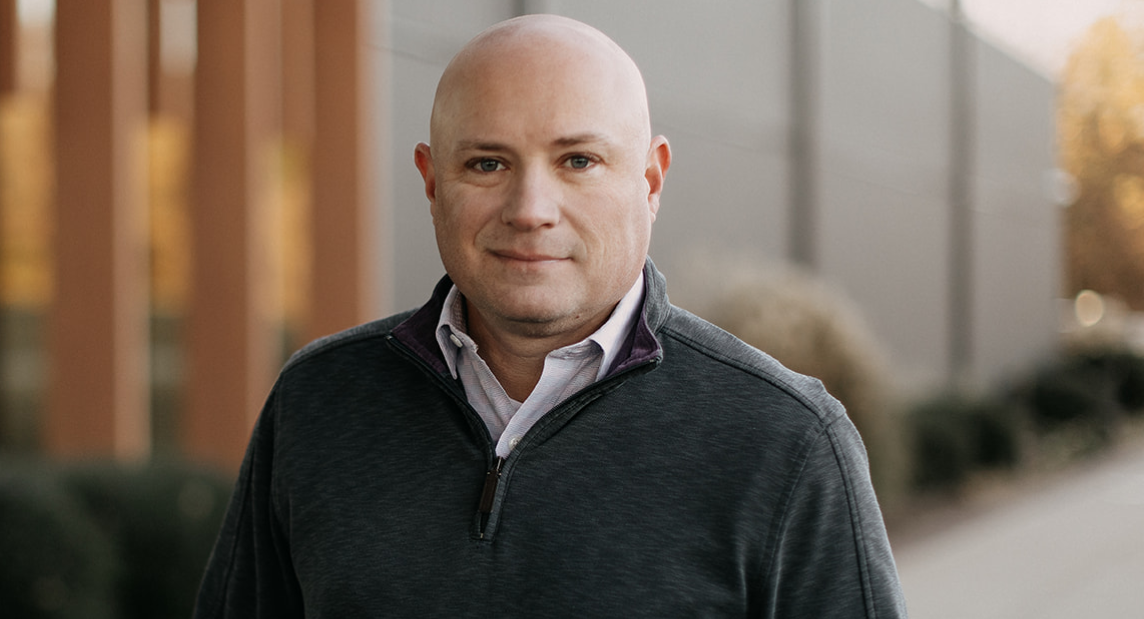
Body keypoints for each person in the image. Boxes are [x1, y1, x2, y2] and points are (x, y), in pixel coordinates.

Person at [194, 14, 906, 618]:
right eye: (487, 164)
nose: (530, 210)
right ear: (432, 182)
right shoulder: (318, 403)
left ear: (650, 180)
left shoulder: (786, 441)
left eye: (577, 161)